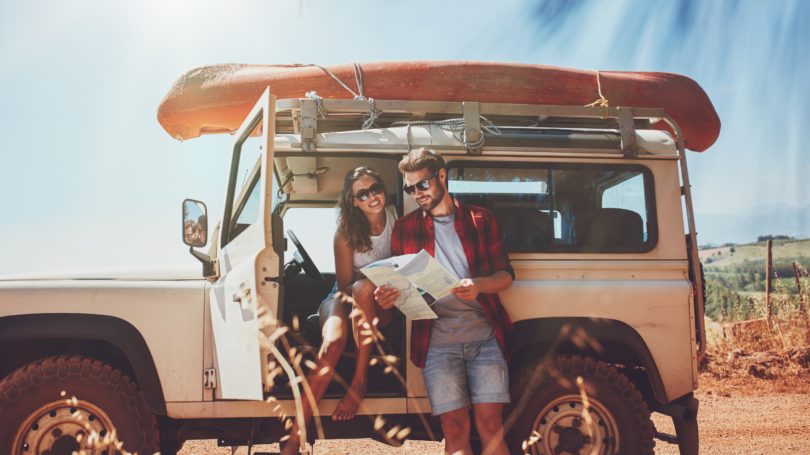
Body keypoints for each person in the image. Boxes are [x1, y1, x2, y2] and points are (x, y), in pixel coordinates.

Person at [375, 148, 514, 455]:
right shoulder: (405, 228)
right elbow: (403, 288)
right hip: (436, 343)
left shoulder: (480, 219)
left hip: (486, 339)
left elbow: (506, 276)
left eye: (422, 185)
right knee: (454, 430)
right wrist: (389, 299)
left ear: (441, 176)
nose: (416, 194)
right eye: (411, 189)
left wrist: (478, 285)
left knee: (491, 426)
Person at [283, 166, 396, 454]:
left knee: (365, 289)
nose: (373, 196)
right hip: (346, 297)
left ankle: (359, 382)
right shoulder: (344, 235)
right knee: (332, 342)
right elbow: (345, 286)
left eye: (377, 188)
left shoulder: (398, 218)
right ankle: (295, 439)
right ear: (353, 201)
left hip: (385, 300)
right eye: (363, 193)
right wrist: (369, 282)